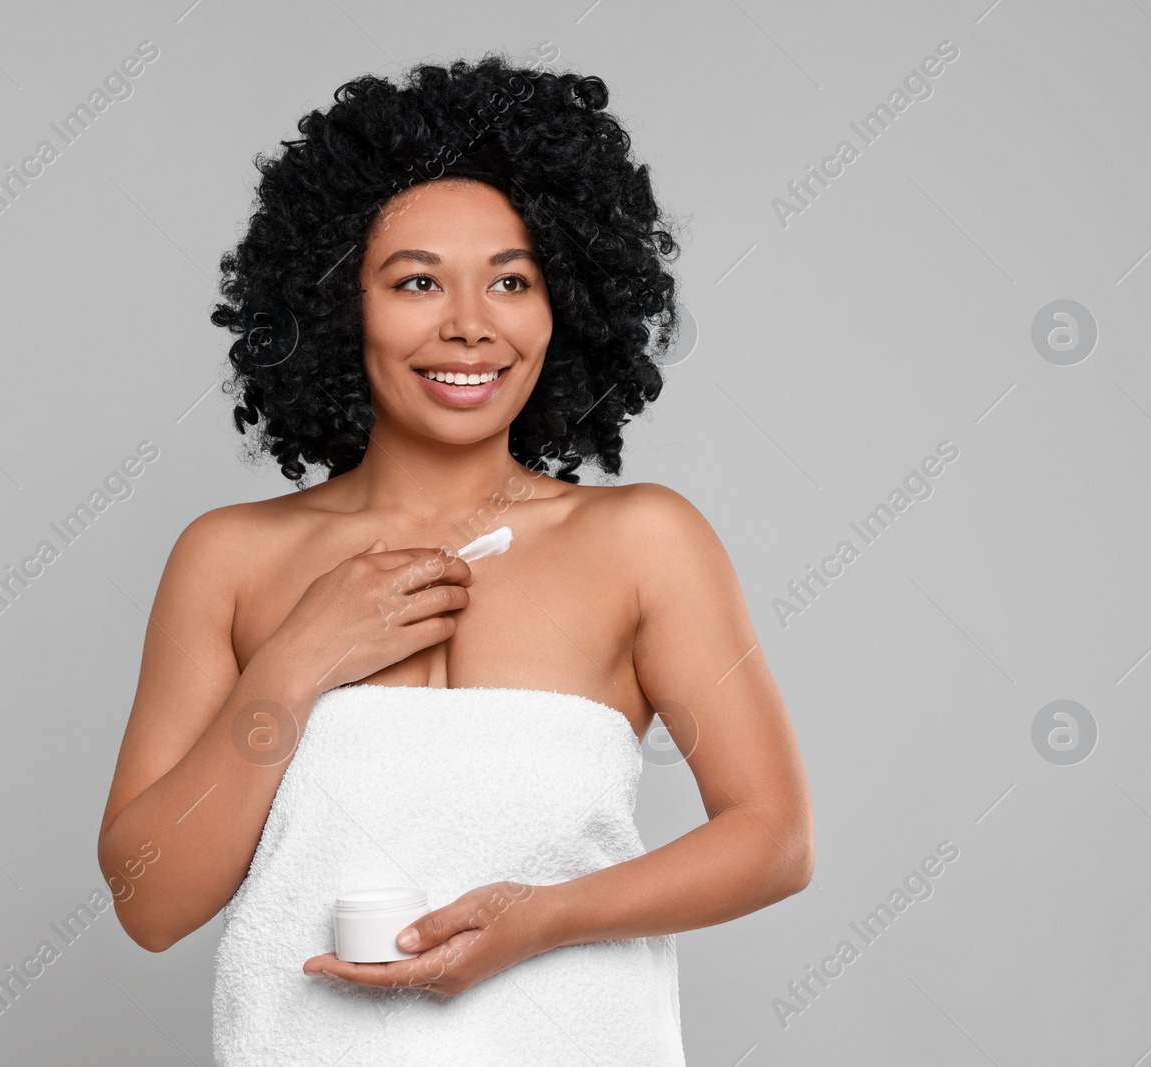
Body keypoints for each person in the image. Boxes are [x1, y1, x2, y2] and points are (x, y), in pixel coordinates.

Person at [97, 52, 813, 1065]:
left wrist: (542, 916)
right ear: (340, 302)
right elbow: (150, 898)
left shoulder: (644, 542)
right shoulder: (230, 558)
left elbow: (773, 835)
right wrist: (295, 663)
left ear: (566, 301)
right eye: (417, 280)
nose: (470, 323)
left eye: (511, 280)